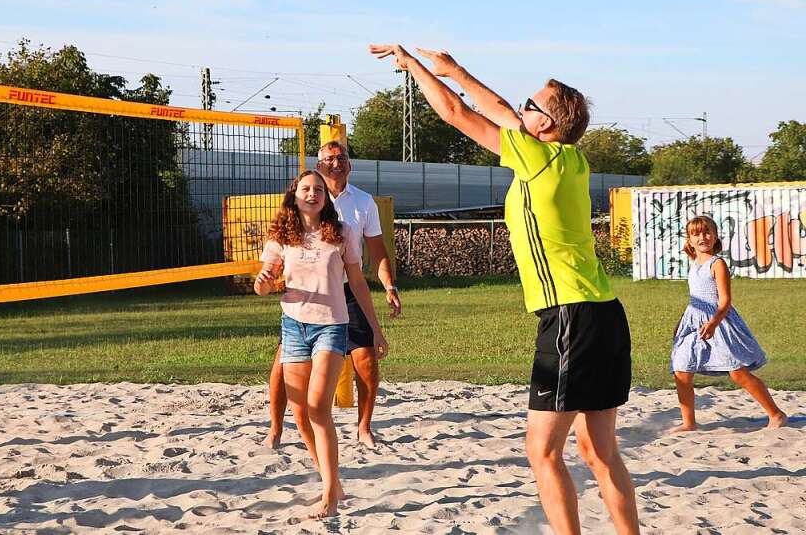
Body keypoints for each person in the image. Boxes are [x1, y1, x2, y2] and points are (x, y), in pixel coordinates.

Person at [370, 44, 640, 535]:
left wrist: (414, 69)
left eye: (532, 106)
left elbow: (456, 113)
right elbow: (498, 110)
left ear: (546, 127)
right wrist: (453, 69)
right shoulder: (571, 159)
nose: (523, 109)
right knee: (600, 453)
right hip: (604, 314)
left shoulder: (534, 159)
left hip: (569, 317)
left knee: (542, 452)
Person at [254, 170, 389, 519]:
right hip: (294, 325)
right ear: (294, 196)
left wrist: (375, 330)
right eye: (305, 189)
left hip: (331, 325)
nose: (312, 194)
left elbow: (358, 283)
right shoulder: (282, 236)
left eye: (317, 189)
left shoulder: (341, 233)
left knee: (317, 408)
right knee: (300, 415)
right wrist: (264, 281)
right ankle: (333, 481)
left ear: (325, 198)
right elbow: (264, 285)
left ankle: (329, 494)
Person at [265, 140, 399, 449]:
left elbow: (377, 251)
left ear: (350, 164)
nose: (335, 163)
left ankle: (363, 428)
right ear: (319, 165)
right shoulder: (303, 199)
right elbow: (281, 244)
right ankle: (275, 429)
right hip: (309, 293)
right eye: (328, 159)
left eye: (341, 158)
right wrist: (271, 277)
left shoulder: (363, 202)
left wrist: (389, 285)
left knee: (366, 358)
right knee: (282, 365)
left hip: (347, 290)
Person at [670, 215, 787, 432]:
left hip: (718, 322)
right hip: (693, 323)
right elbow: (694, 298)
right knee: (681, 369)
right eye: (696, 234)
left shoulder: (718, 264)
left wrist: (714, 322)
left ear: (715, 237)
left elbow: (724, 301)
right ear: (689, 240)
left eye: (707, 232)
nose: (702, 237)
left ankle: (776, 413)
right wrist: (680, 323)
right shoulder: (694, 264)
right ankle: (689, 423)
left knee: (737, 372)